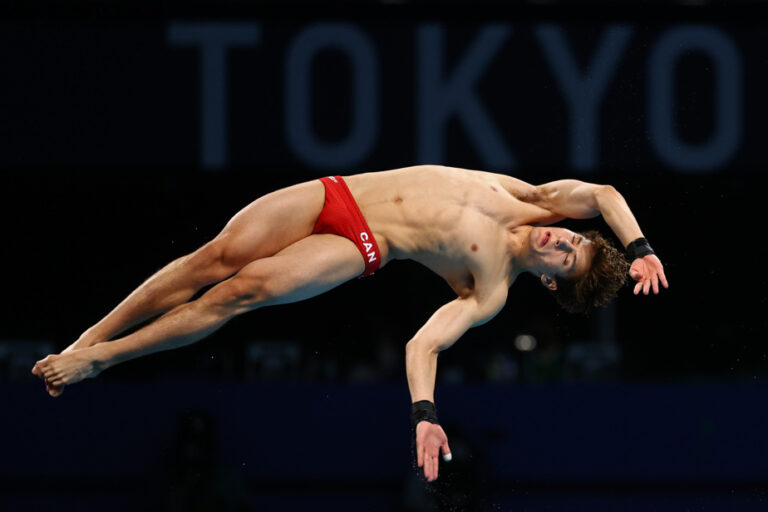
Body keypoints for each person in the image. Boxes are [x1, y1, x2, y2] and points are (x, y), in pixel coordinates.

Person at [31, 165, 668, 482]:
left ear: (554, 280)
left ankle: (102, 360)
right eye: (574, 240)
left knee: (240, 290)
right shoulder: (536, 197)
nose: (560, 239)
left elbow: (426, 343)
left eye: (566, 255)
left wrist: (426, 414)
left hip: (362, 242)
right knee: (212, 259)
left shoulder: (491, 286)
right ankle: (90, 337)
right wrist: (638, 248)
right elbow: (606, 195)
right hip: (337, 191)